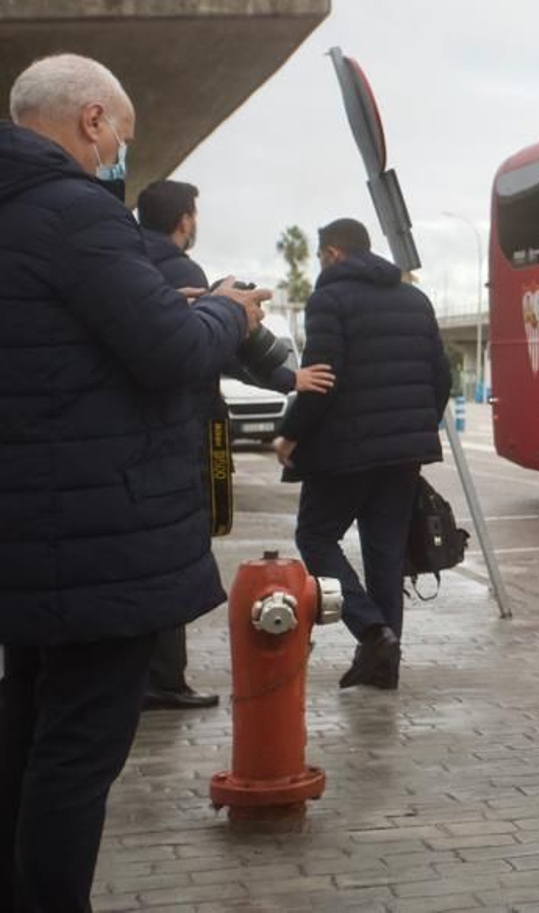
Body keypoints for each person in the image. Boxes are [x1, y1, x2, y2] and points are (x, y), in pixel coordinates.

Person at [0, 53, 269, 910]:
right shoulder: (77, 212)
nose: (122, 149)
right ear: (91, 121)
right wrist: (228, 309)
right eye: (122, 131)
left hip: (29, 525)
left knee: (26, 726)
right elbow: (172, 353)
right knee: (79, 748)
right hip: (92, 535)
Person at [135, 179, 336, 710]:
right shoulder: (179, 271)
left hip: (140, 433)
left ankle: (149, 675)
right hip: (184, 428)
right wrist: (286, 377)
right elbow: (212, 349)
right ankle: (162, 679)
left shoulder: (128, 261)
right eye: (194, 214)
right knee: (175, 541)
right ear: (184, 220)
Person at [273, 218, 451, 691]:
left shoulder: (329, 300)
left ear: (332, 254)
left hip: (344, 452)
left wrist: (289, 435)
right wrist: (416, 424)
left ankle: (373, 632)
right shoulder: (415, 299)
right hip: (403, 453)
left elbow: (322, 379)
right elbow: (442, 376)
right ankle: (384, 663)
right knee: (386, 553)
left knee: (314, 535)